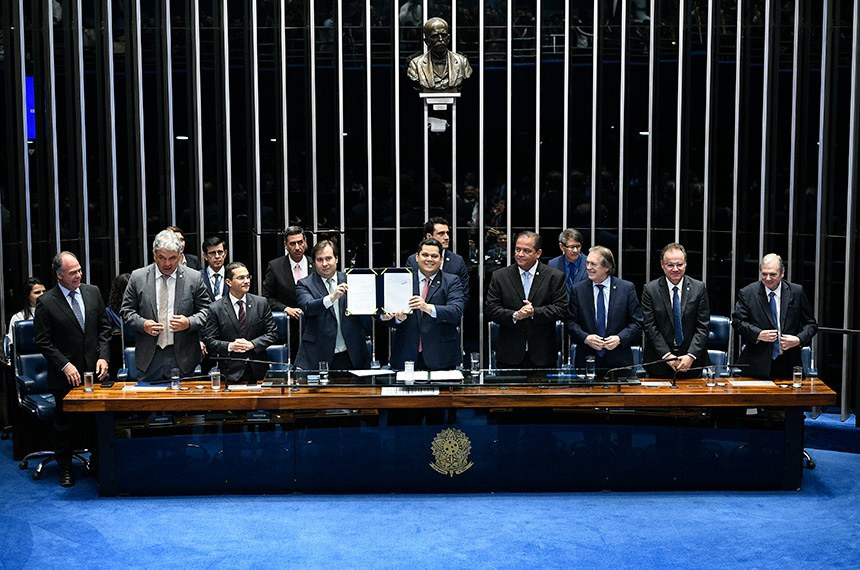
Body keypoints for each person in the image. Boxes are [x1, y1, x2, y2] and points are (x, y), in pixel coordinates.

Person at [33, 252, 111, 487]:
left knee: (97, 422)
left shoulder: (93, 292)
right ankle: (65, 468)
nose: (78, 275)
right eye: (72, 272)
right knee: (65, 425)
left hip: (94, 373)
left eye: (79, 270)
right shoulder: (46, 302)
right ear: (59, 275)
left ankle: (98, 464)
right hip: (64, 375)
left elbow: (105, 329)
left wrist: (104, 357)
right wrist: (64, 364)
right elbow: (43, 341)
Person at [121, 229, 210, 383]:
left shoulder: (194, 278)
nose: (167, 263)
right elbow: (126, 311)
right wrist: (143, 325)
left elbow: (207, 311)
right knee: (148, 404)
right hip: (150, 356)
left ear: (180, 255)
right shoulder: (138, 277)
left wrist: (189, 322)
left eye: (172, 258)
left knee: (182, 405)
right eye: (162, 258)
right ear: (154, 255)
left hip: (183, 357)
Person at [485, 231, 568, 368]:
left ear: (538, 253)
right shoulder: (500, 276)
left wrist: (534, 312)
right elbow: (491, 308)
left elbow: (561, 308)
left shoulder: (554, 276)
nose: (520, 254)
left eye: (526, 251)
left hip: (543, 355)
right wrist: (515, 315)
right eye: (518, 249)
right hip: (509, 355)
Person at [382, 238, 465, 370]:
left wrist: (427, 307)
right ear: (417, 257)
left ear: (441, 260)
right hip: (406, 355)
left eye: (434, 256)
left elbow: (456, 311)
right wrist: (396, 318)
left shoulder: (452, 281)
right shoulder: (403, 279)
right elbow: (383, 315)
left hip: (441, 356)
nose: (429, 259)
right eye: (425, 255)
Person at [732, 253, 818, 379]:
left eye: (772, 274)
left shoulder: (796, 292)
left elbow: (811, 324)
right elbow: (737, 322)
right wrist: (758, 334)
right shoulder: (747, 293)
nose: (767, 278)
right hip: (757, 364)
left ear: (782, 273)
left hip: (789, 363)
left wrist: (798, 339)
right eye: (764, 274)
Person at [295, 240, 371, 370]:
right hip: (319, 354)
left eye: (328, 258)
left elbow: (367, 306)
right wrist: (332, 297)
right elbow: (308, 307)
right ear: (314, 262)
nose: (324, 264)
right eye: (320, 259)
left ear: (336, 259)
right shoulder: (304, 284)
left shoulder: (351, 279)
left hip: (352, 353)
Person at [568, 246, 644, 374]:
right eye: (587, 263)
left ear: (607, 267)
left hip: (619, 362)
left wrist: (620, 338)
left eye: (593, 264)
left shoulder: (626, 289)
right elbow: (570, 322)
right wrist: (586, 338)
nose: (588, 267)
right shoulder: (578, 290)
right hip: (587, 360)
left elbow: (638, 323)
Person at [641, 243, 710, 378]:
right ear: (662, 265)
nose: (675, 269)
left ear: (685, 264)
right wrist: (667, 356)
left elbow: (703, 326)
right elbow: (650, 326)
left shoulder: (699, 288)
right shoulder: (650, 290)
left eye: (679, 264)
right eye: (670, 265)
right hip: (659, 363)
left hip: (692, 363)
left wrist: (691, 355)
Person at [204, 262, 277, 384]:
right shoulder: (215, 308)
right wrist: (230, 346)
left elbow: (273, 333)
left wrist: (253, 344)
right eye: (241, 278)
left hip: (258, 371)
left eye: (248, 277)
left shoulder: (261, 303)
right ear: (228, 282)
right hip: (230, 373)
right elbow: (210, 342)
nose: (246, 281)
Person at [405, 217, 470, 305]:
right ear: (429, 236)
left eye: (447, 233)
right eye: (441, 233)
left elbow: (463, 294)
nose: (446, 237)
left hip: (446, 315)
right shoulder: (413, 260)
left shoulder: (457, 261)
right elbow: (407, 289)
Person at [407, 18, 473, 91]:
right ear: (426, 41)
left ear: (448, 39)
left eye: (444, 35)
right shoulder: (415, 64)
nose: (440, 39)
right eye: (435, 36)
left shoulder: (462, 62)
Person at [548, 228, 588, 296]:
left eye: (578, 246)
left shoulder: (589, 263)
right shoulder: (553, 264)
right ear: (561, 247)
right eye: (571, 247)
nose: (575, 250)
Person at [6, 277, 45, 343]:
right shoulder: (18, 317)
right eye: (37, 292)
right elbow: (12, 343)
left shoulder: (54, 312)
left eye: (44, 291)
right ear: (27, 295)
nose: (42, 294)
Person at [200, 236, 229, 302]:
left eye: (220, 252)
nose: (217, 256)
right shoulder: (198, 277)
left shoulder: (232, 275)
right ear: (205, 256)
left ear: (225, 254)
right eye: (212, 253)